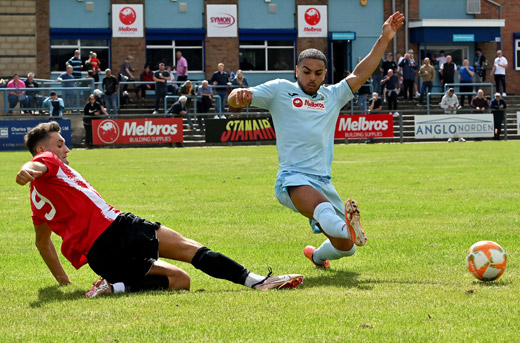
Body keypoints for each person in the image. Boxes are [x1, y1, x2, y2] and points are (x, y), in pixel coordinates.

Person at [15, 122, 303, 297]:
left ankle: (114, 287)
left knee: (181, 277)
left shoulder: (37, 199)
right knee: (188, 257)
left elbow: (43, 243)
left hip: (106, 248)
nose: (66, 149)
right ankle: (258, 282)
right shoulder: (48, 161)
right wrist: (27, 169)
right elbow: (36, 164)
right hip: (115, 232)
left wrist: (64, 282)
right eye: (60, 144)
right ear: (44, 150)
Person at [228, 12, 405, 268]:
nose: (312, 77)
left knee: (347, 249)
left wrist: (385, 38)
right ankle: (348, 227)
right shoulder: (279, 89)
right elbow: (235, 97)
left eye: (319, 73)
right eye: (307, 71)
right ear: (297, 70)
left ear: (325, 74)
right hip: (292, 176)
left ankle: (318, 255)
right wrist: (238, 95)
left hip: (323, 180)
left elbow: (361, 73)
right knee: (324, 211)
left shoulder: (332, 96)